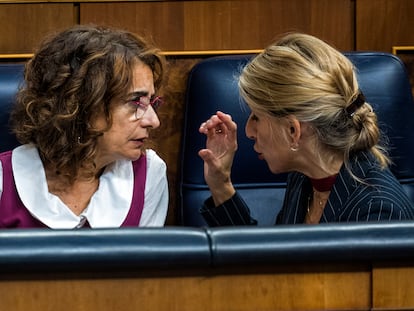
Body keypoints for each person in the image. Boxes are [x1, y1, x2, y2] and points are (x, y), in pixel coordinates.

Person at [198, 33, 414, 226]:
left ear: (293, 130)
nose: (248, 132)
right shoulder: (305, 178)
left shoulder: (379, 213)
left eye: (256, 117)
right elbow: (272, 263)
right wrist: (220, 184)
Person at [0, 25, 169, 228]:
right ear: (81, 105)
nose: (153, 121)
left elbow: (144, 259)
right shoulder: (3, 180)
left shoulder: (149, 173)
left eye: (151, 102)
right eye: (135, 102)